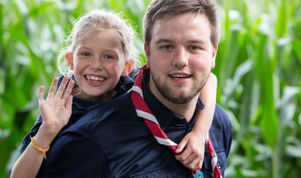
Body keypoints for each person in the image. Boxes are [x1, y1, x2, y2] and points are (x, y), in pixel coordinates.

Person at [11, 8, 219, 178]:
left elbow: (208, 79)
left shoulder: (131, 86)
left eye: (108, 57)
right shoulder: (60, 105)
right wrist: (48, 131)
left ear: (126, 66)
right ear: (70, 60)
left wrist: (200, 133)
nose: (96, 65)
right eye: (85, 54)